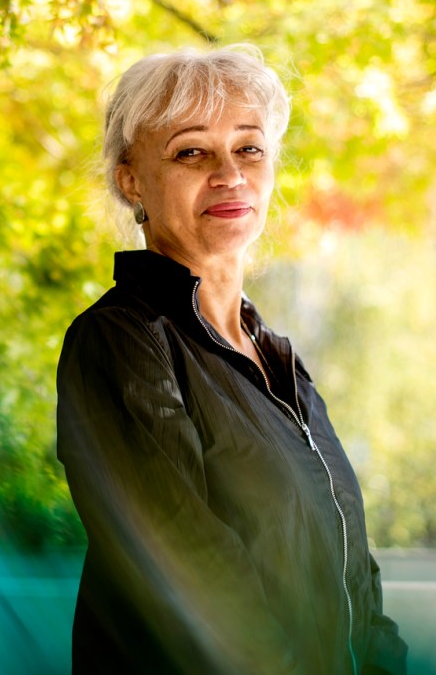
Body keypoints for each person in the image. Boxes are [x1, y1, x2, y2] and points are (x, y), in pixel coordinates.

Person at [56, 46, 408, 675]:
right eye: (191, 152)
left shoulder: (278, 359)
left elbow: (352, 569)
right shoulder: (121, 341)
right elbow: (195, 585)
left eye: (249, 148)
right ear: (130, 178)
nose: (229, 174)